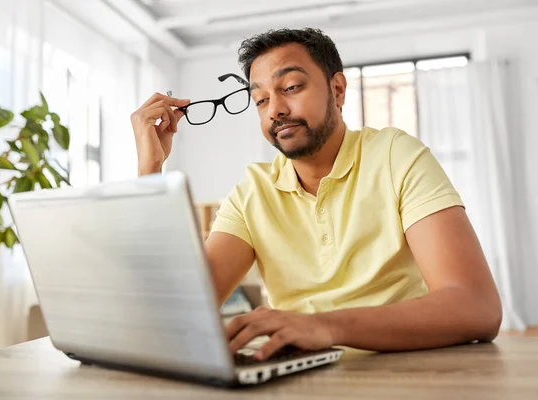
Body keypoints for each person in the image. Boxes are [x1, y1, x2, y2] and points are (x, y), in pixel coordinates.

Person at [130, 28, 502, 361]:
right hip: (298, 380)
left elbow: (476, 307)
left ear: (337, 89)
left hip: (405, 372)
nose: (275, 109)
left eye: (290, 87)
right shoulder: (251, 194)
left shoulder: (396, 156)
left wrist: (325, 327)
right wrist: (150, 169)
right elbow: (176, 314)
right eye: (260, 100)